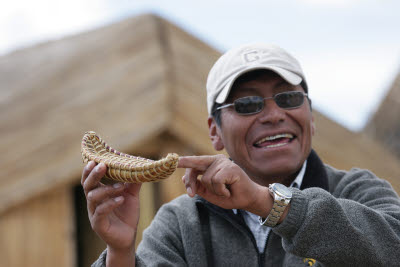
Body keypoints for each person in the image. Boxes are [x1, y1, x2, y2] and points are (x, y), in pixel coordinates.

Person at [83, 43, 400, 266]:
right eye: (248, 104)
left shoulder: (359, 191)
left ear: (311, 117)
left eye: (288, 98)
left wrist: (265, 202)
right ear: (214, 132)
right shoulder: (182, 224)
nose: (274, 114)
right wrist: (120, 252)